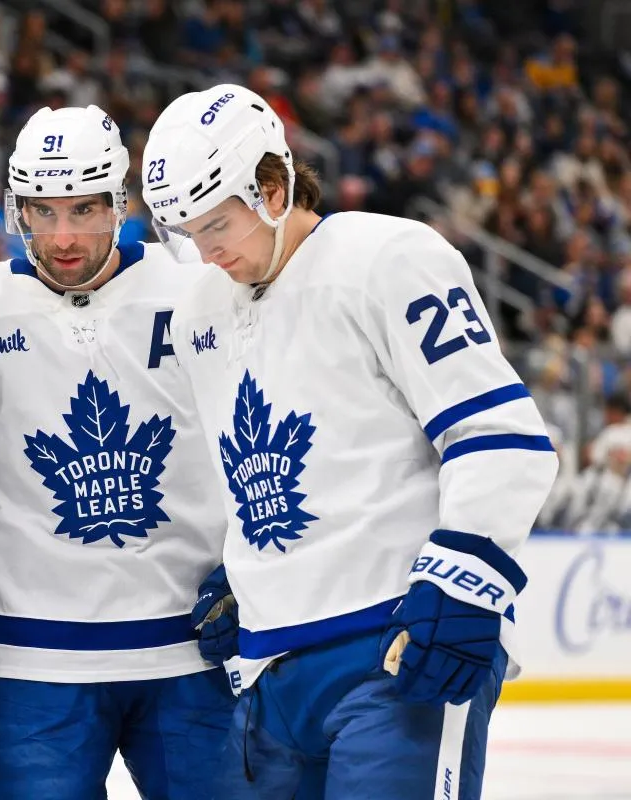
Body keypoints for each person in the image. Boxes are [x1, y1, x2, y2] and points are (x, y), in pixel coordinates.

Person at [140, 84, 558, 799]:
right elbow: (242, 471)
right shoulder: (199, 313)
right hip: (272, 670)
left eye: (215, 225)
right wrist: (243, 570)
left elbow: (497, 432)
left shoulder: (389, 257)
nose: (203, 254)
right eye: (183, 232)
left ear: (273, 187)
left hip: (397, 647)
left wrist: (466, 579)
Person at [0, 105, 238, 800]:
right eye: (43, 211)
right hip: (26, 659)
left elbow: (249, 448)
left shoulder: (199, 296)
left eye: (86, 210)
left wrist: (258, 575)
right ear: (17, 210)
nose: (63, 237)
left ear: (119, 204)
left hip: (192, 650)